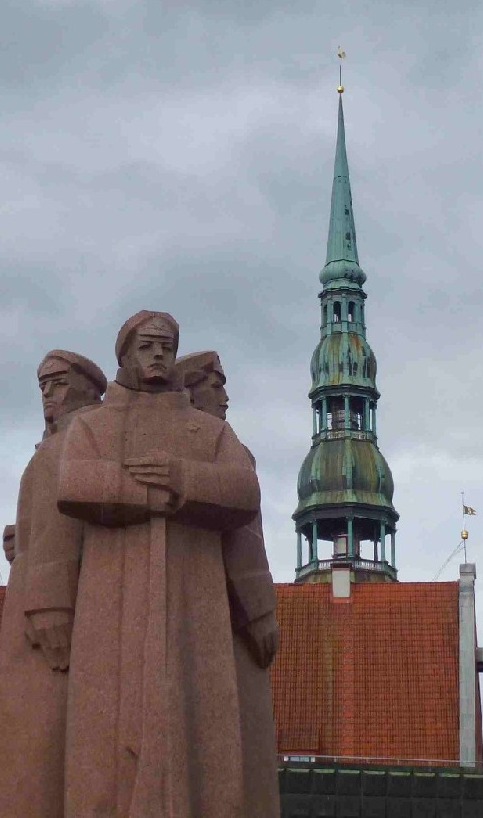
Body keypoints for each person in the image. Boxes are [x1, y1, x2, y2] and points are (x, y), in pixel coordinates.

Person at [55, 311, 265, 817]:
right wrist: (155, 497)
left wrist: (181, 479)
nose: (157, 356)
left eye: (166, 348)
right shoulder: (93, 426)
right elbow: (72, 485)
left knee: (195, 731)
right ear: (125, 354)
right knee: (106, 743)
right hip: (111, 600)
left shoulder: (206, 431)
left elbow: (244, 491)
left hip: (196, 604)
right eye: (147, 346)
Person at [0, 350, 107, 818]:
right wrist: (23, 537)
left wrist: (51, 600)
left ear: (89, 389)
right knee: (27, 735)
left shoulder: (81, 439)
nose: (48, 397)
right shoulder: (54, 444)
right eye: (43, 388)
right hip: (32, 604)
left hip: (49, 616)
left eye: (57, 385)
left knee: (42, 737)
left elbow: (81, 521)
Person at [174, 350, 281, 817]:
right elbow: (245, 545)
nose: (225, 396)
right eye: (216, 385)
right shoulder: (227, 451)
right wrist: (261, 613)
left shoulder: (158, 448)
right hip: (226, 621)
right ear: (193, 392)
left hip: (175, 621)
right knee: (238, 745)